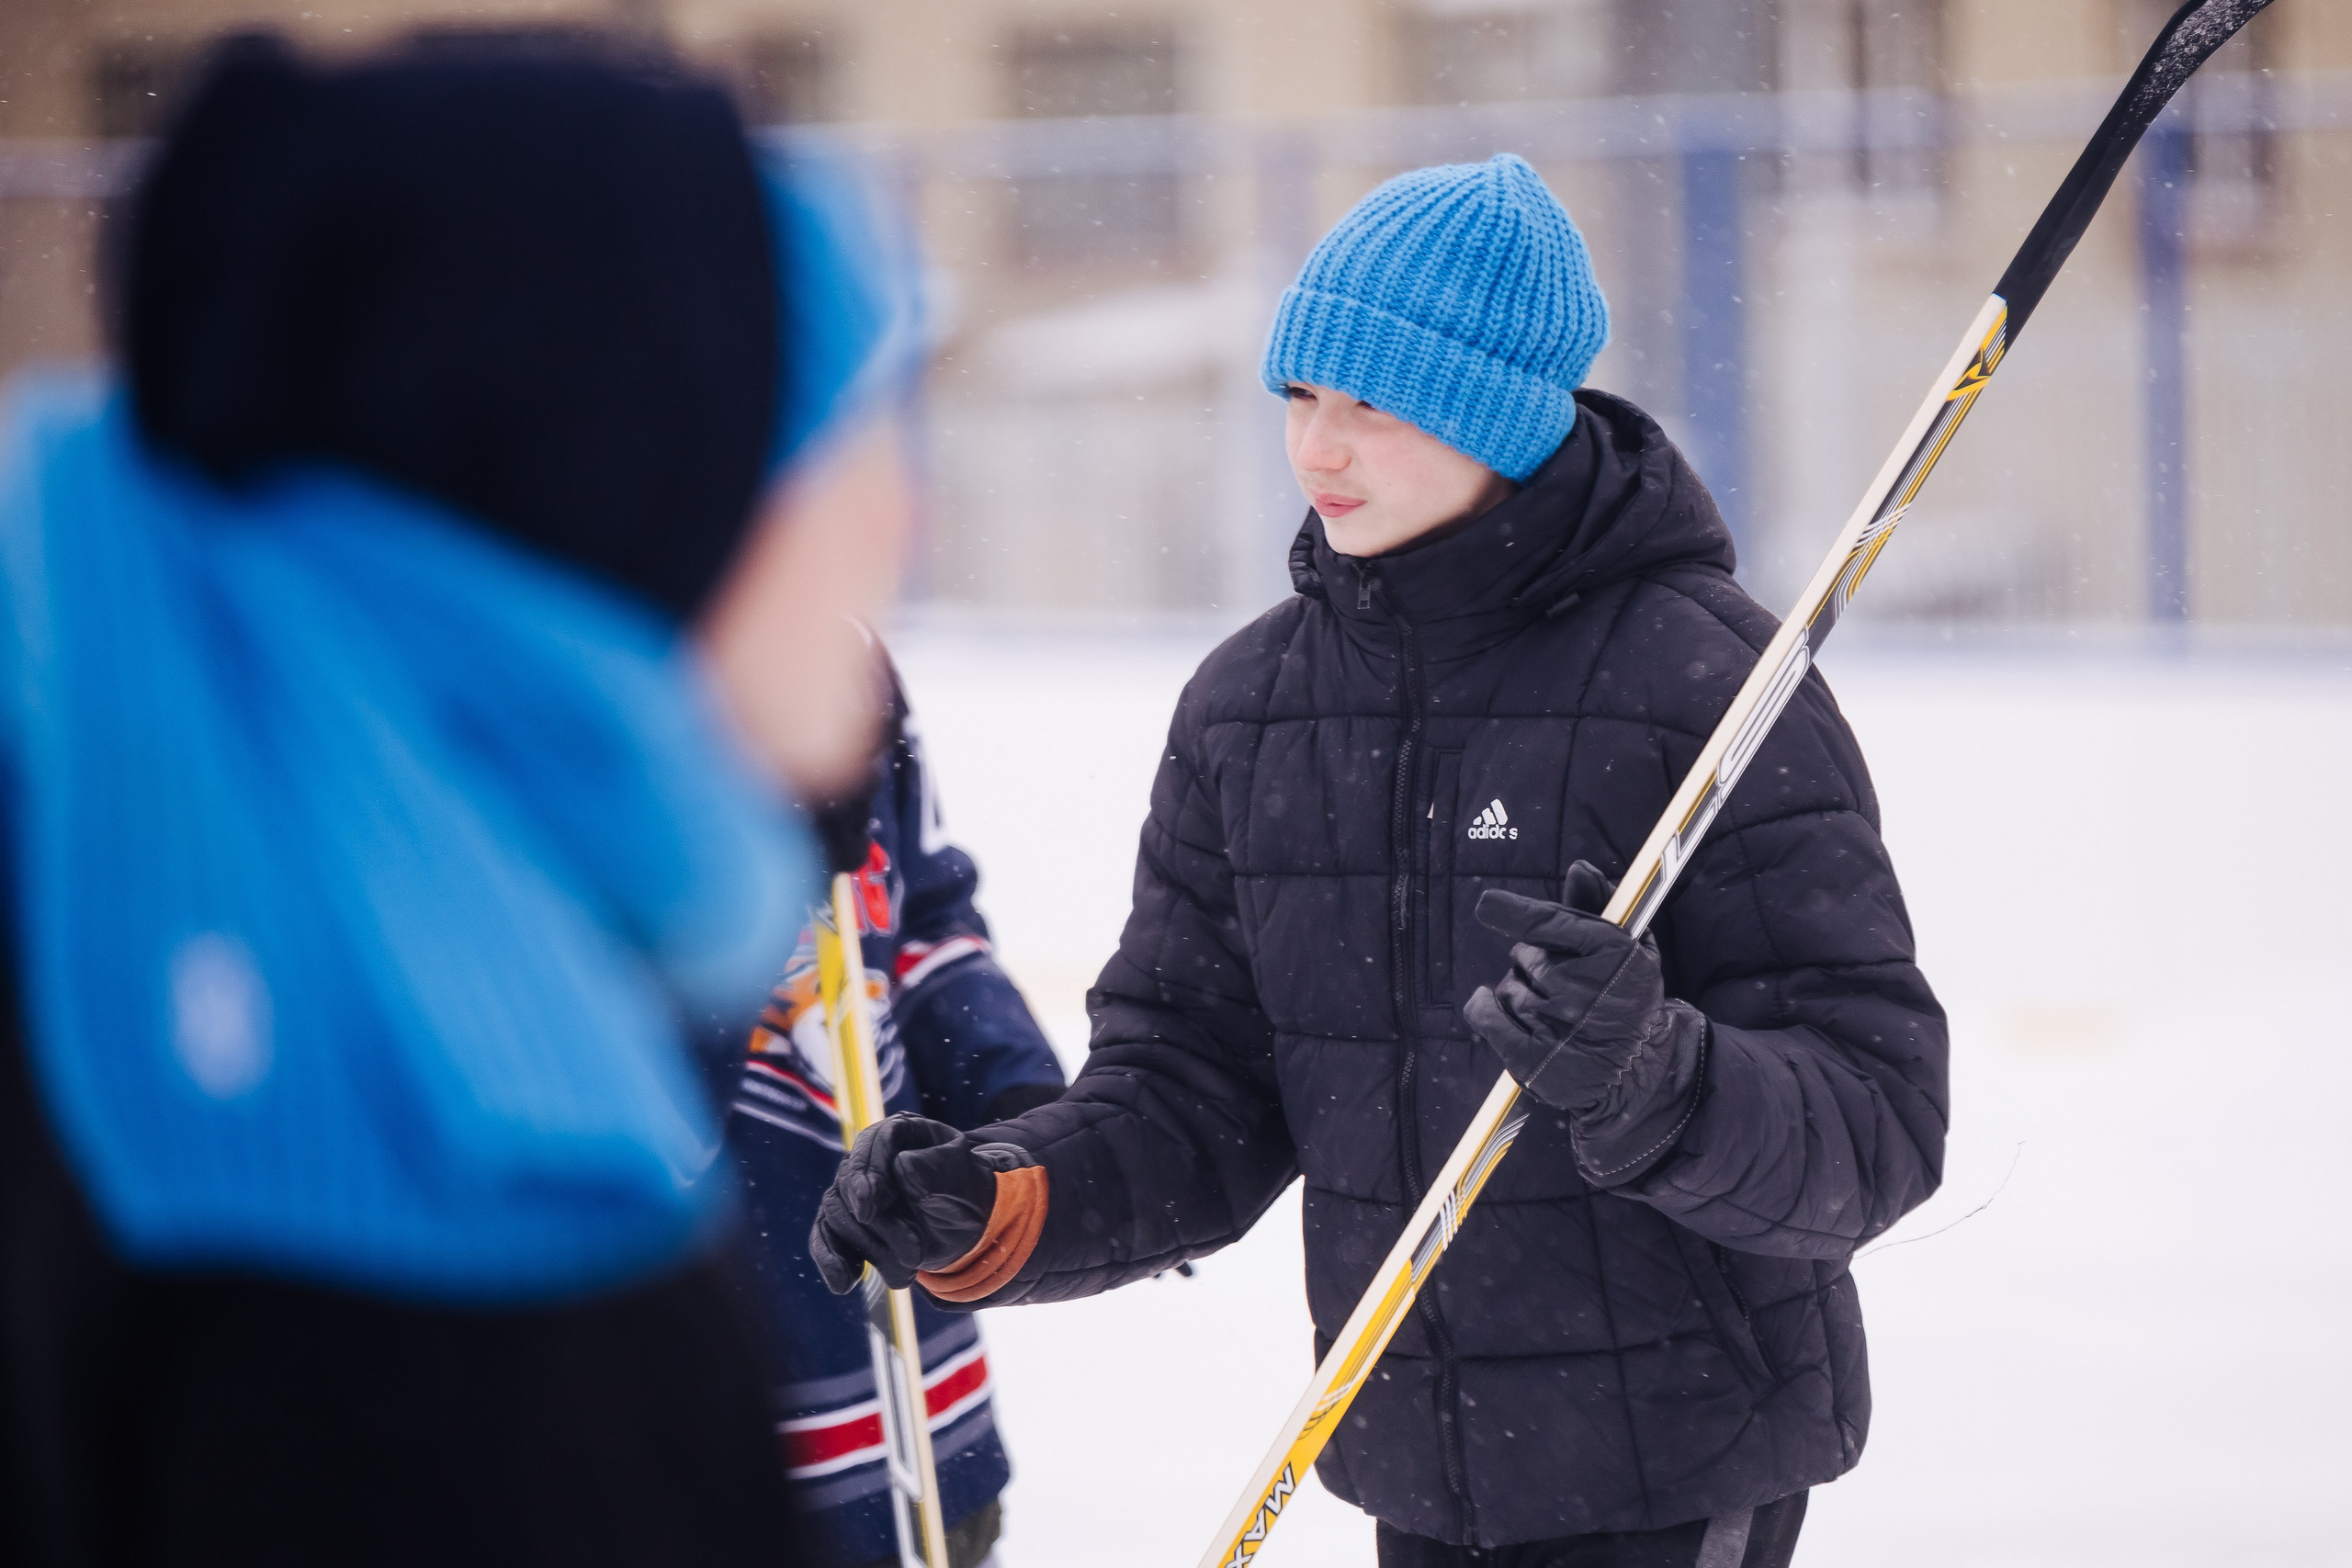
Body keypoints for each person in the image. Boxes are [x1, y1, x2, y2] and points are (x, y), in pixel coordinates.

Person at [808, 154, 1950, 1567]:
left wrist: (1659, 1076)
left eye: (1372, 404)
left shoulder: (1702, 681)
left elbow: (1878, 1122)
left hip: (1680, 1453)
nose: (1315, 448)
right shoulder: (1254, 707)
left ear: (1500, 419)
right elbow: (1192, 1088)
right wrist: (999, 1198)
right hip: (1405, 1450)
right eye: (1299, 395)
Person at [0, 32, 913, 1566]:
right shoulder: (430, 1214)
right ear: (627, 475)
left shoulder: (161, 845)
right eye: (839, 440)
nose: (901, 514)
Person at [732, 659, 1066, 1568]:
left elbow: (921, 922)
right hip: (694, 1380)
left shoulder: (837, 648)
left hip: (908, 1384)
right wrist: (745, 862)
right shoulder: (542, 631)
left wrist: (1026, 1103)